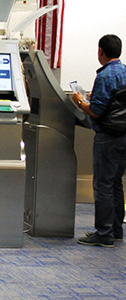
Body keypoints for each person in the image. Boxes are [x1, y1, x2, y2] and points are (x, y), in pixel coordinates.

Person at [72, 34, 126, 248]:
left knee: (102, 185)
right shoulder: (124, 71)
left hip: (107, 137)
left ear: (100, 51)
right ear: (120, 52)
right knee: (116, 183)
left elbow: (95, 111)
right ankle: (116, 230)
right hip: (123, 136)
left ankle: (103, 234)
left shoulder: (105, 76)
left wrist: (79, 101)